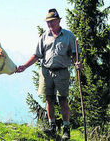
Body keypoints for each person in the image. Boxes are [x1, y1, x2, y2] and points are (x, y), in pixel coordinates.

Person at [16, 8, 81, 139]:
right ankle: (52, 126)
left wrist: (77, 63)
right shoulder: (44, 37)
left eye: (52, 21)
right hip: (46, 71)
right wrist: (24, 66)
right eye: (48, 22)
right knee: (48, 99)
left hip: (62, 72)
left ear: (58, 20)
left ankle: (66, 128)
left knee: (63, 100)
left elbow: (75, 53)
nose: (49, 24)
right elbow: (36, 55)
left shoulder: (69, 36)